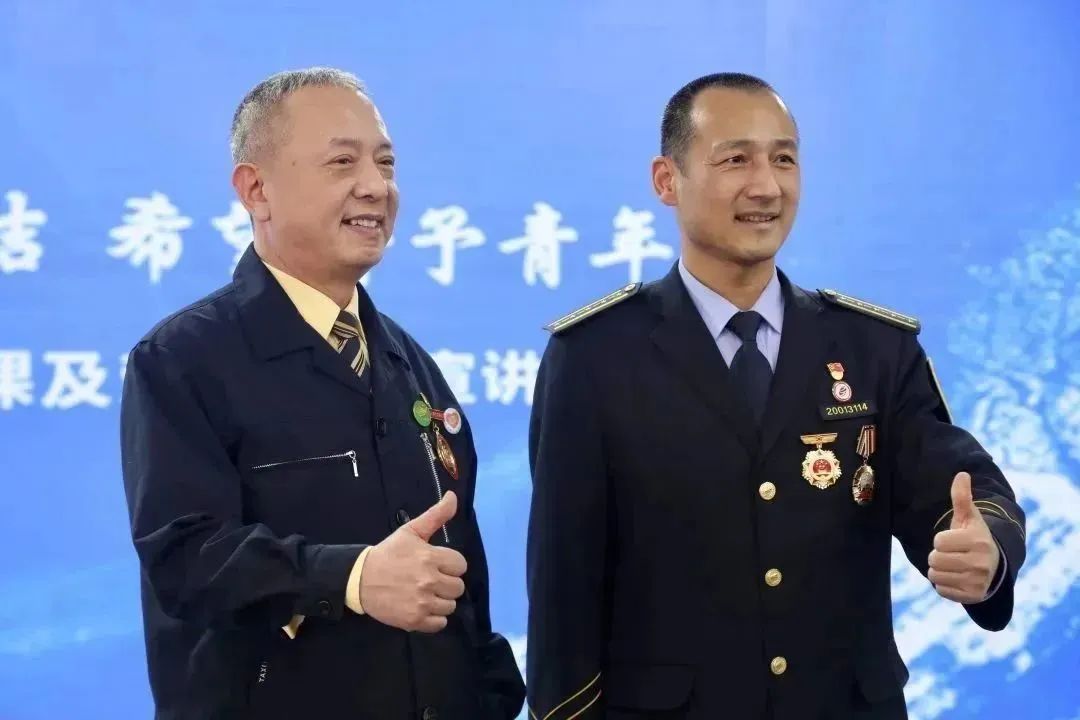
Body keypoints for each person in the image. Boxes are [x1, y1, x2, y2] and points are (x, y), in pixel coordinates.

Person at [524, 72, 1025, 720]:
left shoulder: (874, 348)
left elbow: (960, 487)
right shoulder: (594, 356)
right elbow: (563, 590)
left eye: (784, 159)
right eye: (736, 159)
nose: (766, 186)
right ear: (666, 180)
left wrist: (987, 548)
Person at [120, 67, 524, 720]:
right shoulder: (183, 359)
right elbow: (186, 558)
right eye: (342, 162)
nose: (376, 186)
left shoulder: (411, 364)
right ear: (256, 190)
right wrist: (354, 579)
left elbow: (461, 580)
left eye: (385, 163)